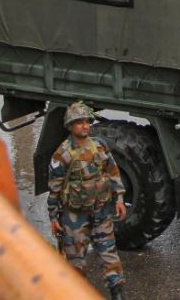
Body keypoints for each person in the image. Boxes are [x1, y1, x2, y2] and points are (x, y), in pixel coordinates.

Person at [47, 101, 128, 300]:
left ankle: (117, 291)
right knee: (76, 259)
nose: (85, 126)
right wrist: (53, 216)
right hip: (75, 217)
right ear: (70, 126)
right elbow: (55, 187)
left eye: (87, 122)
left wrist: (119, 198)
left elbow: (113, 171)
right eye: (79, 122)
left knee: (108, 252)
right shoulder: (62, 154)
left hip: (101, 211)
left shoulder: (99, 146)